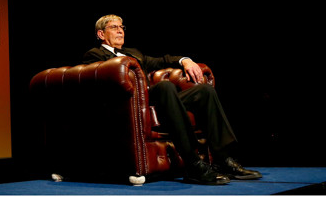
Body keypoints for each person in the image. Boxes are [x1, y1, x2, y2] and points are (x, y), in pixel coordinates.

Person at [82, 14, 262, 186]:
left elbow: (162, 60)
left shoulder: (133, 52)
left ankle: (223, 158)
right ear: (101, 34)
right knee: (164, 86)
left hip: (159, 100)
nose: (120, 31)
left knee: (204, 91)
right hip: (131, 103)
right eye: (114, 27)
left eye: (122, 27)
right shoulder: (94, 54)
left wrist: (185, 60)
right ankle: (193, 164)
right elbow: (103, 78)